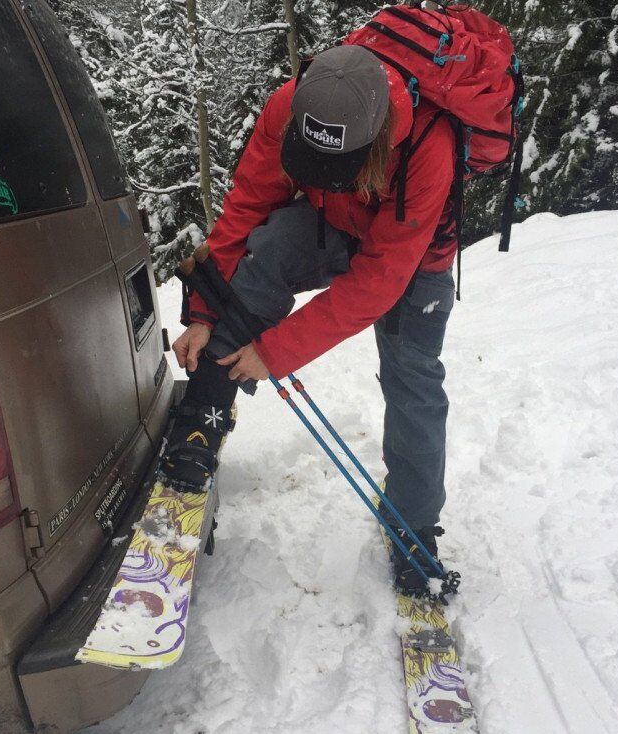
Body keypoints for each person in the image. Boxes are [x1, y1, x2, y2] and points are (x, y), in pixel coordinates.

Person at [165, 44, 458, 594]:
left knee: (413, 379)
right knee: (271, 246)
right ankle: (204, 414)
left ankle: (414, 525)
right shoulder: (289, 106)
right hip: (335, 222)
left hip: (416, 258)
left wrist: (275, 352)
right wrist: (204, 312)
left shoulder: (429, 147)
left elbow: (377, 282)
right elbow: (247, 206)